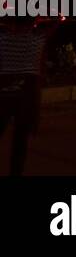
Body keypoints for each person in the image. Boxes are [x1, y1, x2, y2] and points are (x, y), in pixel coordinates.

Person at [0, 14, 46, 176]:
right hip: (26, 96)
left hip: (4, 94)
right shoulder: (37, 41)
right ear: (32, 23)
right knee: (20, 142)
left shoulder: (3, 40)